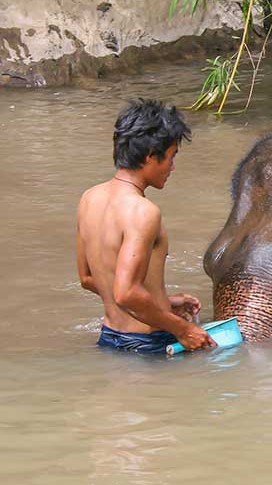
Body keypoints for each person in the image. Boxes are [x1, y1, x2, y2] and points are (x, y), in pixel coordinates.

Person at [77, 99, 216, 354]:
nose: (172, 167)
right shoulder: (144, 212)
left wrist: (162, 303)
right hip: (148, 345)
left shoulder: (89, 198)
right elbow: (127, 293)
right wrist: (183, 329)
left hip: (109, 338)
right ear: (151, 156)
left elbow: (88, 278)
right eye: (171, 157)